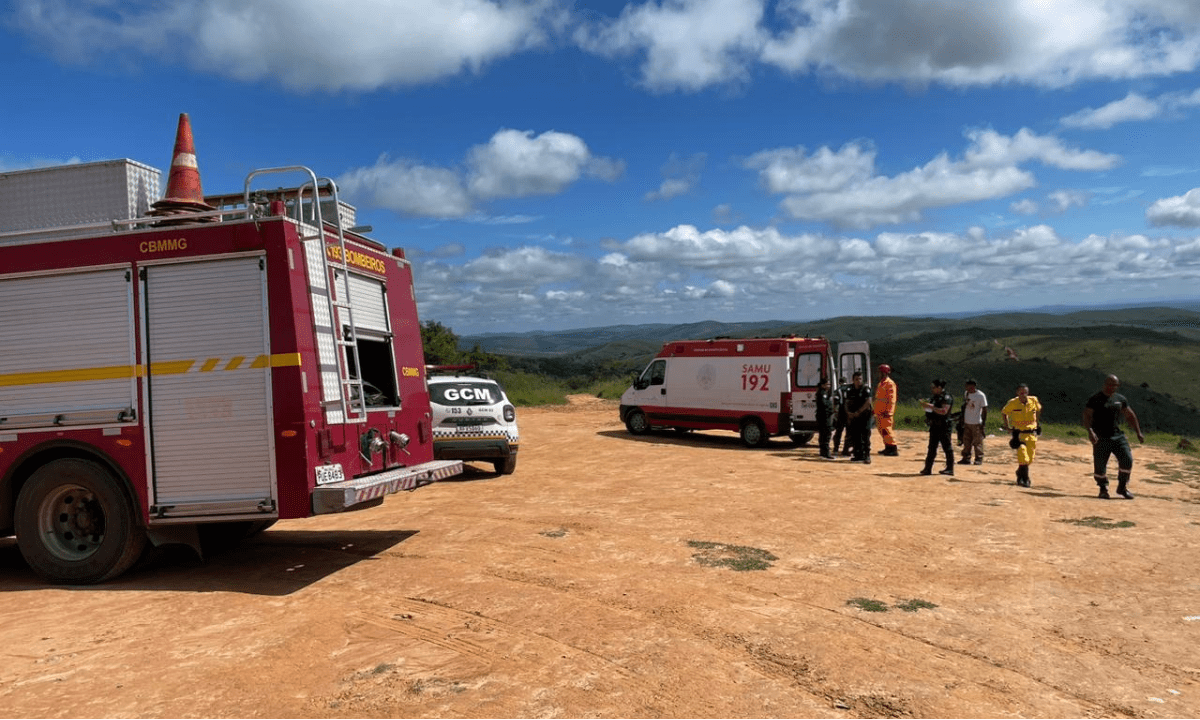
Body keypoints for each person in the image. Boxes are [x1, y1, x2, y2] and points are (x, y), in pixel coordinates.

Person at [1084, 374, 1145, 500]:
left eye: (1114, 385)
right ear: (1104, 384)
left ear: (1117, 386)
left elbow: (1130, 416)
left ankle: (1122, 487)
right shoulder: (1095, 399)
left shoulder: (1120, 399)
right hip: (1100, 437)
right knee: (1100, 465)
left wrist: (1138, 432)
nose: (1110, 387)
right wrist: (1090, 431)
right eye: (1109, 384)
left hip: (1117, 436)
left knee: (1127, 459)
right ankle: (1103, 489)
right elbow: (1087, 416)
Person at [1000, 383, 1041, 487]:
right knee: (1023, 455)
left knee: (1030, 459)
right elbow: (1004, 412)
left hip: (1031, 434)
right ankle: (1024, 479)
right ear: (1017, 393)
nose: (1023, 394)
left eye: (1025, 392)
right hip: (1019, 434)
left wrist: (1037, 424)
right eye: (1021, 392)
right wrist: (1007, 426)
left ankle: (1019, 471)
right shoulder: (1013, 403)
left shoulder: (1033, 400)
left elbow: (1038, 410)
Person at [919, 378, 954, 476]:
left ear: (939, 387)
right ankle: (927, 468)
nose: (932, 389)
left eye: (933, 387)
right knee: (931, 447)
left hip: (944, 426)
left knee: (947, 447)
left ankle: (950, 468)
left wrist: (931, 407)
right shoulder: (935, 397)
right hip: (934, 425)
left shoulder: (946, 397)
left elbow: (944, 411)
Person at [843, 371, 874, 464]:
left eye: (860, 379)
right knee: (855, 436)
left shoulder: (866, 389)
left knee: (865, 436)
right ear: (853, 380)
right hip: (854, 417)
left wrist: (858, 412)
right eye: (856, 379)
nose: (858, 381)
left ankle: (866, 456)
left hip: (865, 416)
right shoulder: (850, 390)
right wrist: (848, 413)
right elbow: (846, 402)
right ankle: (858, 455)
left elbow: (868, 402)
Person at [960, 379, 988, 465]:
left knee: (977, 442)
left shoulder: (980, 395)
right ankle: (966, 458)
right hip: (967, 421)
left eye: (969, 386)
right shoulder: (966, 394)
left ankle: (978, 458)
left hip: (976, 422)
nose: (968, 388)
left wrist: (983, 423)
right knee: (966, 441)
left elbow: (984, 409)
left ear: (974, 386)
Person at [874, 364, 899, 456]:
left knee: (887, 430)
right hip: (880, 411)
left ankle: (893, 448)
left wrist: (889, 411)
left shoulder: (890, 383)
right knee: (882, 430)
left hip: (886, 412)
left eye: (880, 372)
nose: (878, 374)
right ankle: (887, 447)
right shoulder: (881, 383)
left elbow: (892, 399)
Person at [815, 376, 836, 459]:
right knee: (826, 435)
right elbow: (824, 405)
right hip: (824, 417)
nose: (829, 386)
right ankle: (826, 453)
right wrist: (831, 409)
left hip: (824, 416)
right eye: (827, 384)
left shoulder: (824, 393)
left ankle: (823, 452)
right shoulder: (822, 393)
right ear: (823, 385)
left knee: (823, 435)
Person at [831, 377, 852, 457]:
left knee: (839, 431)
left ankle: (836, 449)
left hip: (841, 412)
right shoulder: (850, 389)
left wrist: (835, 412)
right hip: (849, 413)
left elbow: (836, 402)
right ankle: (846, 450)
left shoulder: (838, 391)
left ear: (839, 382)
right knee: (848, 431)